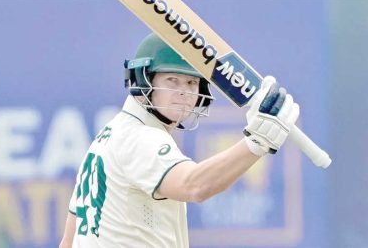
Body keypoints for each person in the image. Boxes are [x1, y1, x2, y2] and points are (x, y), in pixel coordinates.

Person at [59, 33, 299, 248]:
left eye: (192, 82)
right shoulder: (141, 138)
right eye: (172, 80)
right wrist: (256, 143)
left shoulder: (109, 135)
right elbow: (193, 185)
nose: (184, 92)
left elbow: (68, 241)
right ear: (143, 80)